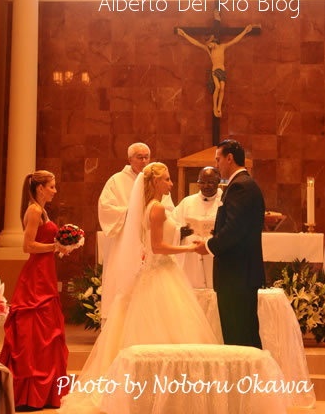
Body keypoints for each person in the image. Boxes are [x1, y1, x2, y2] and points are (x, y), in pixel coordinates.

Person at [60, 163, 217, 414]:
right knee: (164, 331)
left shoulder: (149, 207)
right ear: (155, 182)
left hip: (160, 272)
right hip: (161, 271)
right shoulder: (155, 208)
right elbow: (157, 247)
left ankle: (165, 390)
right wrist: (189, 248)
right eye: (166, 179)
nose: (171, 184)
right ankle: (159, 391)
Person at [0, 170, 69, 410]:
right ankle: (29, 394)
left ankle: (45, 391)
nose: (55, 190)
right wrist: (55, 245)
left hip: (45, 272)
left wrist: (59, 247)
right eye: (52, 186)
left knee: (47, 331)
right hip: (36, 277)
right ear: (40, 188)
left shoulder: (41, 210)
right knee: (36, 331)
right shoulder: (34, 210)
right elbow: (27, 246)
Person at [195, 139, 265, 348]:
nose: (217, 165)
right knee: (242, 335)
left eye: (218, 159)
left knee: (239, 337)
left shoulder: (240, 186)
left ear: (229, 158)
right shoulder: (242, 184)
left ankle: (247, 380)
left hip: (237, 275)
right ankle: (249, 379)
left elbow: (235, 229)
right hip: (239, 274)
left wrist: (208, 246)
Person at [98, 142, 174, 320]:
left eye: (147, 157)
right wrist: (132, 213)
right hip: (124, 240)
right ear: (129, 159)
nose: (144, 160)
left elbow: (169, 210)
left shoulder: (157, 180)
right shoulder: (116, 181)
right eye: (140, 157)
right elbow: (106, 208)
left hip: (150, 239)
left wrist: (152, 215)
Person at [176, 24, 253, 117]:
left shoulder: (222, 47)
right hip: (215, 71)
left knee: (222, 88)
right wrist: (184, 34)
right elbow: (195, 42)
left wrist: (245, 31)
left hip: (222, 71)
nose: (209, 45)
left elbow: (234, 41)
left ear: (214, 42)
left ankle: (219, 107)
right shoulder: (209, 50)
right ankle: (214, 108)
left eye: (210, 43)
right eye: (208, 44)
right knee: (218, 87)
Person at [173, 166, 222, 288]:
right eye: (202, 182)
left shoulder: (224, 202)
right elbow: (173, 224)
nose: (206, 186)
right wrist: (181, 231)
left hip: (214, 254)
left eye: (210, 182)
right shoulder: (187, 202)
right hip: (191, 258)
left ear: (218, 182)